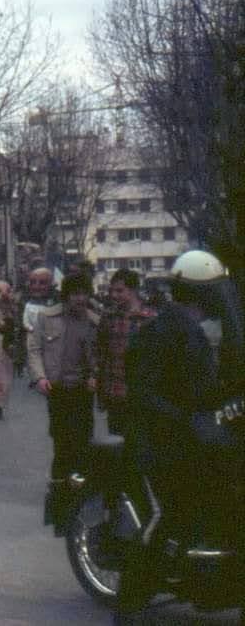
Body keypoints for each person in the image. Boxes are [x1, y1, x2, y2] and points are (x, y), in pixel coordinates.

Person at [117, 250, 245, 618]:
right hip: (158, 443)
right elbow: (144, 393)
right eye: (211, 291)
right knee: (164, 517)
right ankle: (130, 607)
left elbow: (209, 388)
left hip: (197, 440)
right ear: (195, 293)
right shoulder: (161, 331)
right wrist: (185, 419)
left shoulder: (207, 328)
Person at [27, 272, 98, 521]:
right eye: (76, 294)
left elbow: (98, 356)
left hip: (81, 390)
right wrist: (40, 377)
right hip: (57, 390)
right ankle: (59, 497)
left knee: (84, 440)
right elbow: (34, 349)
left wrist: (94, 376)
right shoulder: (46, 317)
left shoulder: (92, 322)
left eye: (84, 294)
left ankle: (82, 493)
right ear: (66, 295)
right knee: (61, 440)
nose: (81, 299)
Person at [94, 269, 156, 435]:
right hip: (114, 392)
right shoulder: (108, 317)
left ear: (134, 290)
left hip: (142, 394)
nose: (114, 295)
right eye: (112, 290)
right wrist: (101, 391)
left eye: (119, 290)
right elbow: (101, 354)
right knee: (117, 443)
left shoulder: (150, 318)